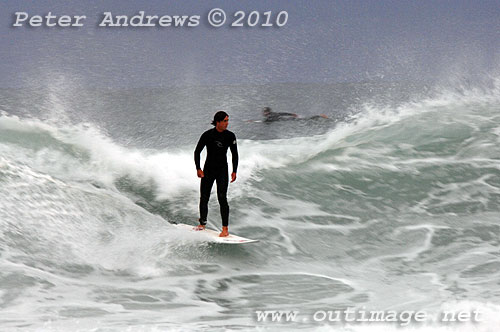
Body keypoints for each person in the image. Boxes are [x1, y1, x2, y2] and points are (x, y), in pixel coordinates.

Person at [194, 111, 238, 237]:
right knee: (204, 197)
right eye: (224, 121)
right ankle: (202, 223)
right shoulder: (208, 135)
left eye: (227, 120)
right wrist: (198, 168)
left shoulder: (230, 136)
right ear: (217, 122)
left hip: (222, 170)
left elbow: (235, 155)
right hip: (208, 170)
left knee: (222, 198)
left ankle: (225, 229)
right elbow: (197, 152)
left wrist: (234, 171)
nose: (227, 123)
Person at [262, 106, 328, 122]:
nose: (263, 113)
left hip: (289, 120)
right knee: (306, 119)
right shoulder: (274, 113)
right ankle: (319, 116)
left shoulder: (270, 115)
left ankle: (319, 116)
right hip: (290, 118)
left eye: (265, 112)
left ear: (268, 112)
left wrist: (254, 121)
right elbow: (282, 113)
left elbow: (268, 120)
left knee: (307, 120)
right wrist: (292, 114)